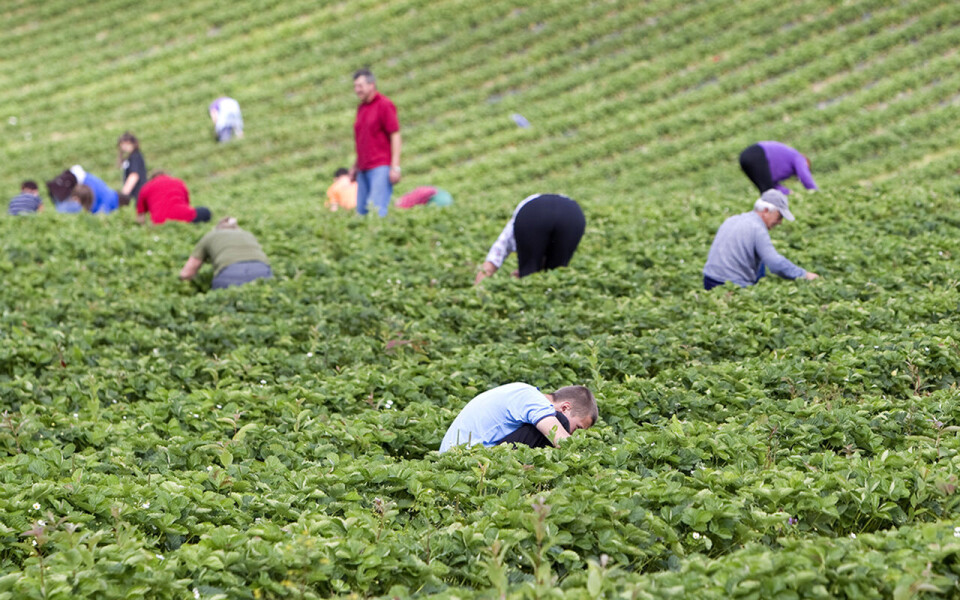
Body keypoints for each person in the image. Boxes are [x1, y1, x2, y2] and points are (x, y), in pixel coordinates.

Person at [703, 189, 819, 290]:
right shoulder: (757, 228)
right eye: (779, 217)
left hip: (709, 279)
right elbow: (774, 263)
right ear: (765, 211)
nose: (780, 222)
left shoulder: (733, 219)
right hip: (730, 285)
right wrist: (804, 275)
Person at [439, 382, 598, 453]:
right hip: (465, 458)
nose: (571, 434)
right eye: (576, 427)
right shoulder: (532, 399)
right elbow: (560, 439)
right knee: (558, 425)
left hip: (463, 453)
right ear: (565, 407)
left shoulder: (524, 393)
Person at [475, 194, 585, 284]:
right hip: (571, 214)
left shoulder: (520, 220)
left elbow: (495, 257)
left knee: (529, 274)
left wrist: (477, 291)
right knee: (557, 272)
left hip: (533, 213)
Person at [349, 68, 401, 217]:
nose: (357, 90)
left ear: (371, 85)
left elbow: (395, 135)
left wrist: (395, 167)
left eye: (360, 86)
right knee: (361, 212)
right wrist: (355, 167)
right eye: (355, 86)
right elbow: (363, 141)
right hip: (363, 168)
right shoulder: (361, 108)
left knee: (376, 210)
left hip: (380, 166)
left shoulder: (384, 105)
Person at [179, 217, 272, 289]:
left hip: (230, 274)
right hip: (262, 271)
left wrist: (182, 286)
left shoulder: (211, 235)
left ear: (218, 227)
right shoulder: (248, 234)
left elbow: (188, 272)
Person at [739, 141, 818, 195]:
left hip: (744, 157)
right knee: (768, 193)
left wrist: (788, 192)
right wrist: (815, 192)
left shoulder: (784, 168)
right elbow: (804, 176)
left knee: (767, 191)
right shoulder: (799, 157)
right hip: (757, 153)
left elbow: (773, 185)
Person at [137, 172, 211, 225]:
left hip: (159, 222)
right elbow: (187, 204)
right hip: (183, 217)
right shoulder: (178, 182)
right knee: (204, 211)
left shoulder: (145, 188)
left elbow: (140, 216)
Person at [117, 132, 147, 206]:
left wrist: (124, 194)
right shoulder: (132, 157)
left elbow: (134, 175)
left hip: (137, 193)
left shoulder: (135, 157)